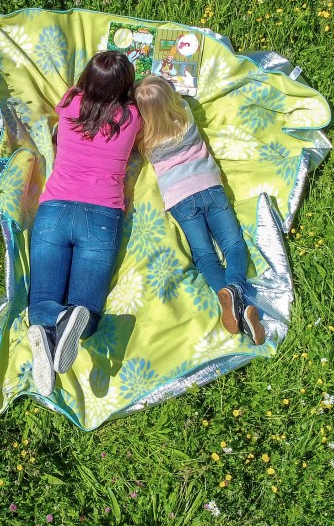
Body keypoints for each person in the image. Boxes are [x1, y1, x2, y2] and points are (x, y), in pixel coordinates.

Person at [26, 51, 143, 396]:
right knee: (87, 313)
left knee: (41, 302)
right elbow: (131, 99)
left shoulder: (70, 104)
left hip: (55, 208)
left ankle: (48, 328)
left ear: (86, 81)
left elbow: (81, 92)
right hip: (102, 216)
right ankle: (66, 323)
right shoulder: (131, 117)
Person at [133, 75, 266, 345]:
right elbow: (172, 93)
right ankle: (237, 289)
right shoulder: (185, 115)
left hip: (180, 199)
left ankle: (226, 295)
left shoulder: (144, 137)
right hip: (209, 187)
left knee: (205, 255)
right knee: (233, 245)